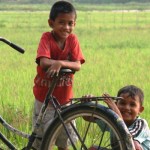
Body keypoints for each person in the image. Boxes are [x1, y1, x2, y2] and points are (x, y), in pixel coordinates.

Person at [32, 1, 85, 150]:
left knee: (65, 139)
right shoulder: (46, 38)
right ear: (51, 23)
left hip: (65, 100)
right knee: (43, 141)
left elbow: (78, 65)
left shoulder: (73, 40)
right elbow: (43, 62)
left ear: (75, 24)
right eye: (61, 22)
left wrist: (60, 63)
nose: (66, 27)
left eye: (70, 23)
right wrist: (56, 62)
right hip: (44, 100)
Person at [89, 85, 150, 150]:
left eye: (132, 104)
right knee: (93, 149)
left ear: (140, 110)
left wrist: (115, 110)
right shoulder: (112, 119)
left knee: (134, 145)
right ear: (116, 104)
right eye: (122, 103)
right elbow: (88, 117)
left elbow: (127, 137)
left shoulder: (141, 124)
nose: (126, 108)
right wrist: (88, 103)